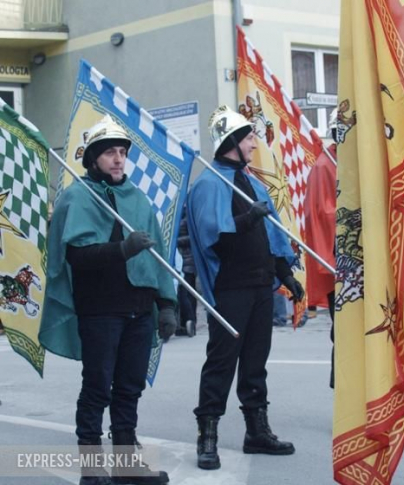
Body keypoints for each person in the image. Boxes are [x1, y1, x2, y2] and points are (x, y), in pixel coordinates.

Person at [41, 115, 176, 485]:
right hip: (100, 308)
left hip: (138, 308)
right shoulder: (77, 196)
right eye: (110, 153)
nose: (118, 159)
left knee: (130, 387)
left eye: (122, 153)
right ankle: (91, 466)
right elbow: (76, 258)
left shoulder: (138, 198)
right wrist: (122, 249)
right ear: (94, 158)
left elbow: (159, 257)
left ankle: (126, 465)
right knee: (97, 387)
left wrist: (167, 304)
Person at [187, 105, 304, 470]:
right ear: (232, 142)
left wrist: (285, 274)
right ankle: (207, 436)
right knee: (221, 363)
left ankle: (257, 432)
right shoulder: (208, 183)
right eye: (249, 138)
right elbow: (213, 238)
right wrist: (246, 218)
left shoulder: (253, 183)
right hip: (230, 288)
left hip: (259, 287)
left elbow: (273, 236)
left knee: (256, 363)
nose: (255, 144)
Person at [303, 109, 337, 387]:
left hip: (362, 266)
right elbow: (323, 215)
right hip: (341, 267)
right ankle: (348, 398)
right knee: (347, 335)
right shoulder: (325, 166)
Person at [175, 205, 197, 337]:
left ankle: (189, 322)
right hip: (183, 260)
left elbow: (193, 237)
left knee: (186, 294)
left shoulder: (188, 216)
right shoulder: (183, 215)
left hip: (186, 260)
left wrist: (175, 241)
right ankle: (186, 322)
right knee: (185, 293)